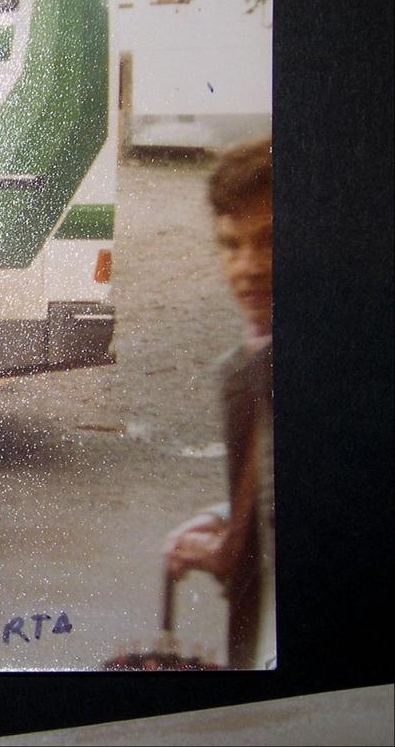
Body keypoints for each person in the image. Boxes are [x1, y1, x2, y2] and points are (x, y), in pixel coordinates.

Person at [162, 138, 274, 670]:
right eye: (231, 245)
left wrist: (226, 548)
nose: (247, 267)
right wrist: (222, 518)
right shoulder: (252, 362)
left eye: (270, 241)